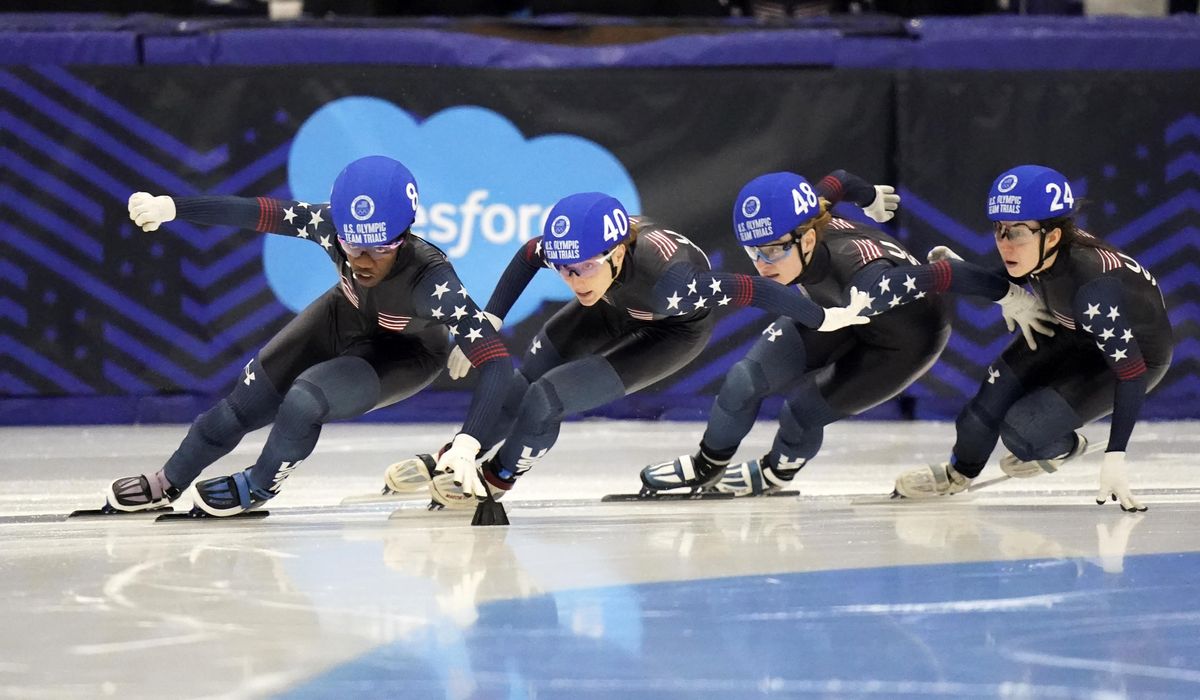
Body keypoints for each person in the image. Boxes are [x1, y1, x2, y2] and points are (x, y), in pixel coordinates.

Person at [383, 179, 887, 506]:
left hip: (670, 330)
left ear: (619, 251)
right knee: (522, 380)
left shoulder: (675, 280)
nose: (574, 279)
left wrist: (821, 316)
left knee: (546, 399)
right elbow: (530, 253)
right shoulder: (582, 258)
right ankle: (454, 456)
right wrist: (489, 319)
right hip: (612, 309)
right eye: (565, 270)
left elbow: (750, 287)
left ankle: (494, 481)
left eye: (585, 267)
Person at [104, 155, 513, 516]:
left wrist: (468, 440)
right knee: (240, 406)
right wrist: (175, 208)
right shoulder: (331, 225)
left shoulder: (431, 280)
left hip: (404, 353)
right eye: (352, 246)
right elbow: (259, 213)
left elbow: (497, 362)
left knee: (303, 399)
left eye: (382, 248)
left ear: (404, 236)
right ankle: (167, 481)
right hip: (342, 316)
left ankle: (259, 483)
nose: (364, 262)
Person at [639, 170, 1055, 496]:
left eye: (773, 250)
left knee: (801, 413)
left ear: (807, 237)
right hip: (836, 309)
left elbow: (943, 273)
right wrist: (870, 195)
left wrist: (1009, 294)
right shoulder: (808, 211)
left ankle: (774, 472)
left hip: (904, 341)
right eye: (753, 251)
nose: (762, 264)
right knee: (743, 381)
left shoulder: (865, 277)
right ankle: (707, 465)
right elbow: (838, 180)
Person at [893, 165, 1174, 511]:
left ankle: (1064, 444)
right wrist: (962, 275)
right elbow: (993, 280)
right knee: (981, 410)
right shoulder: (1043, 250)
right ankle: (958, 473)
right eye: (998, 229)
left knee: (1024, 431)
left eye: (1017, 232)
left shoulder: (1092, 286)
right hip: (1071, 326)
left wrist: (1116, 454)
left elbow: (1130, 374)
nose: (1004, 243)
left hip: (1132, 357)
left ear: (1052, 236)